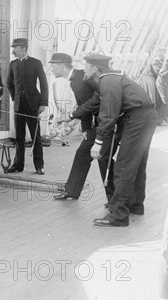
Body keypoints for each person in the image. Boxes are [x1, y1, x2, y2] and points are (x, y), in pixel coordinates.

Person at [84, 55, 158, 227]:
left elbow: (109, 113)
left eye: (86, 66)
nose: (84, 69)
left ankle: (118, 215)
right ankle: (135, 205)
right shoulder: (114, 78)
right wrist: (72, 116)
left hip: (137, 119)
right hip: (147, 116)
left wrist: (98, 142)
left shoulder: (107, 81)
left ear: (95, 68)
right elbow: (97, 105)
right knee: (137, 165)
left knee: (123, 167)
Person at [49, 53, 117, 203]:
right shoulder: (75, 80)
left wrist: (73, 116)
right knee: (83, 154)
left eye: (53, 66)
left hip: (107, 123)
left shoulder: (82, 77)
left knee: (102, 158)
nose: (51, 69)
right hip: (97, 125)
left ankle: (115, 199)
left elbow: (103, 96)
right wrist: (86, 129)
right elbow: (85, 105)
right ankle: (72, 191)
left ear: (61, 65)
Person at [6, 38, 48, 175]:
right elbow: (9, 84)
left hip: (33, 104)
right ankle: (18, 165)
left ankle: (39, 165)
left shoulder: (35, 63)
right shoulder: (13, 64)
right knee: (19, 136)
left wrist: (43, 103)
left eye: (16, 47)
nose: (13, 50)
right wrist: (15, 97)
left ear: (23, 48)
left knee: (36, 136)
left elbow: (43, 84)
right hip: (18, 105)